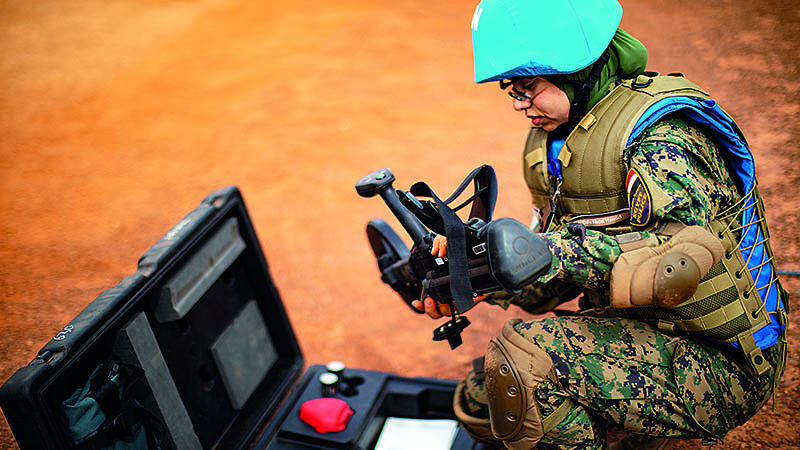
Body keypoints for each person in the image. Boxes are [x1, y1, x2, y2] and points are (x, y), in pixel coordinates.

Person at [411, 1, 790, 448]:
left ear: (577, 69)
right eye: (509, 89)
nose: (518, 104)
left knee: (525, 363)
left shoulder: (660, 137)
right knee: (481, 404)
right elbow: (552, 282)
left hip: (720, 359)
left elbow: (678, 263)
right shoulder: (556, 142)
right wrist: (471, 277)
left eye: (527, 87)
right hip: (648, 330)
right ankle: (633, 425)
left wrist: (545, 253)